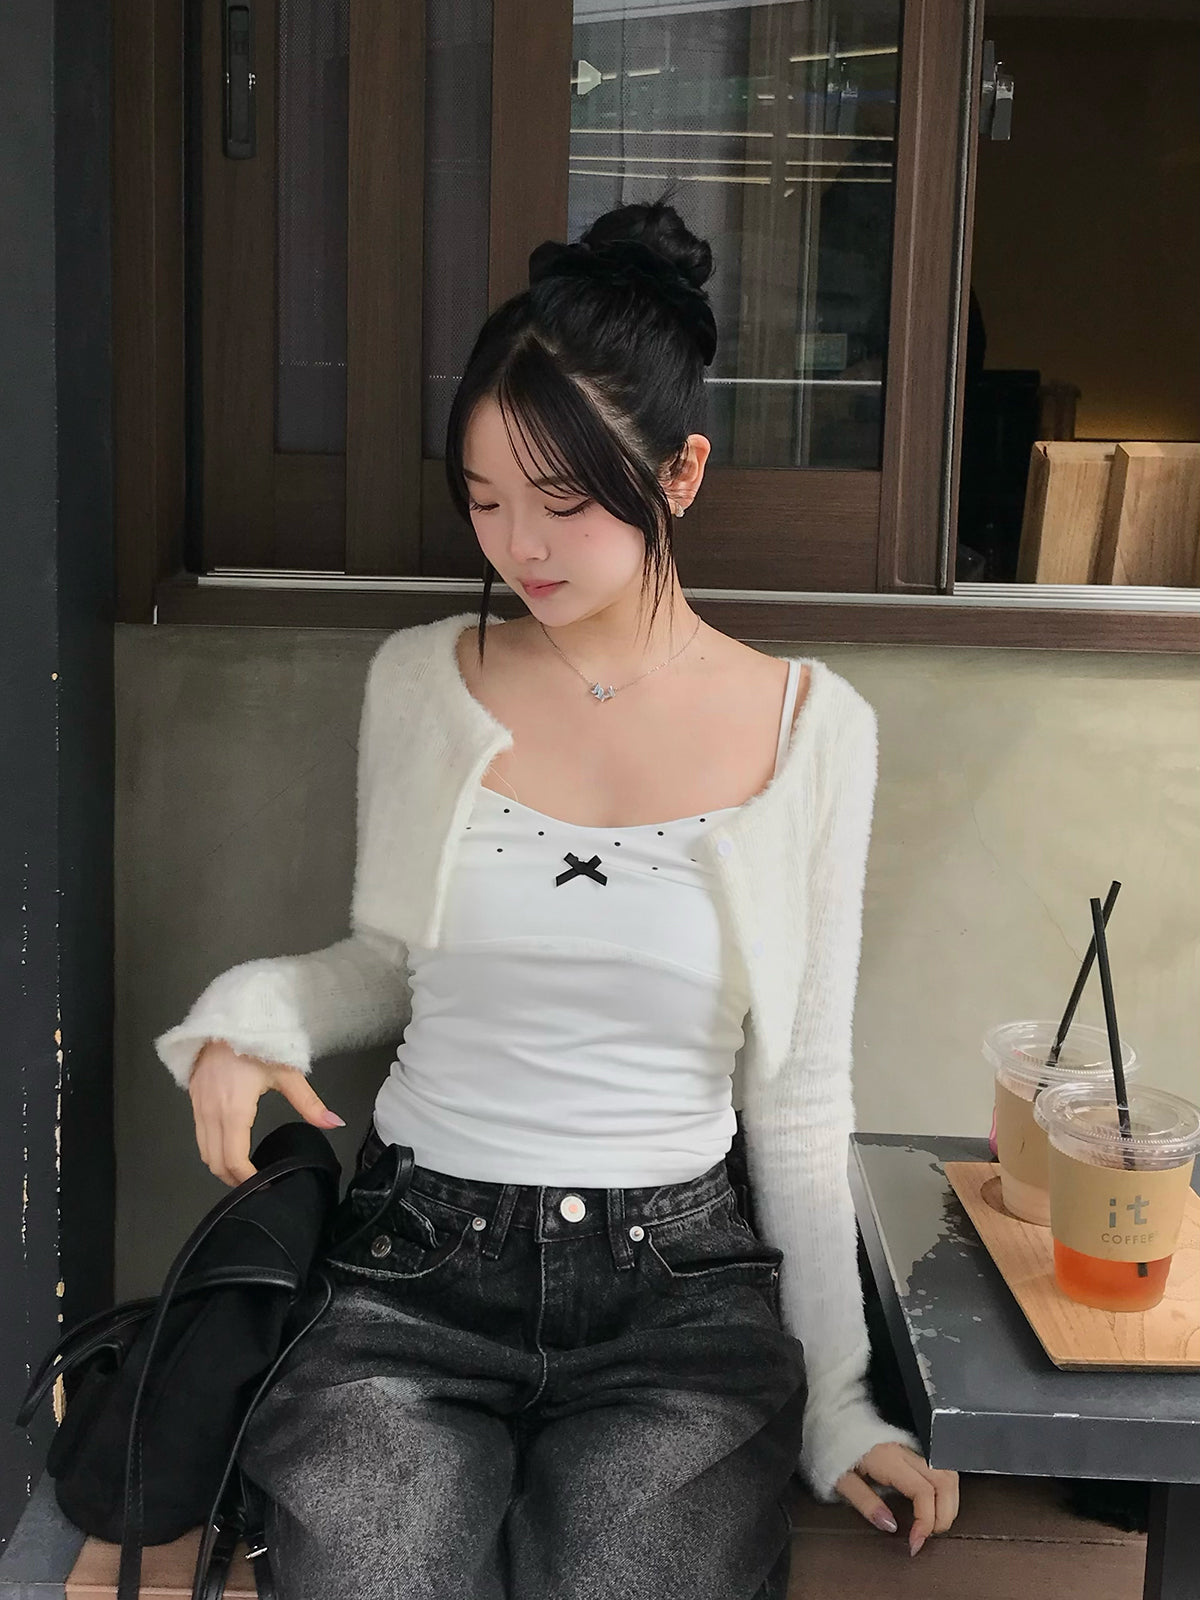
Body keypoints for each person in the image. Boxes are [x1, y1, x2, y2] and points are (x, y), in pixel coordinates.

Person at [156, 192, 959, 1599]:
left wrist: (839, 1404)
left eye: (564, 502)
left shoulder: (813, 730)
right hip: (415, 1272)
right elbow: (387, 963)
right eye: (484, 500)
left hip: (678, 1304)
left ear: (681, 473)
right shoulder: (423, 681)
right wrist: (248, 1016)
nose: (518, 545)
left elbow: (799, 1096)